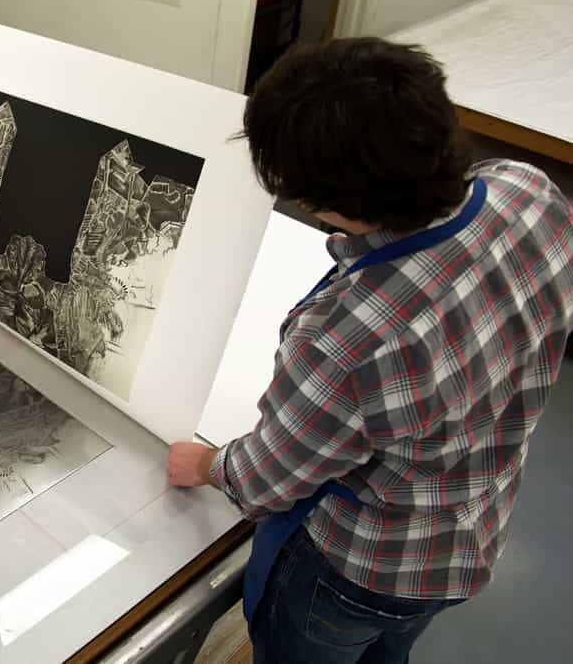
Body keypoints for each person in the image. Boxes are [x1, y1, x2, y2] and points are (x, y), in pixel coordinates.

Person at [167, 38, 573, 663]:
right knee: (392, 650)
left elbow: (269, 480)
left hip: (358, 570)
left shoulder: (349, 337)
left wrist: (205, 465)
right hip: (472, 527)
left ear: (330, 205)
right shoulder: (529, 190)